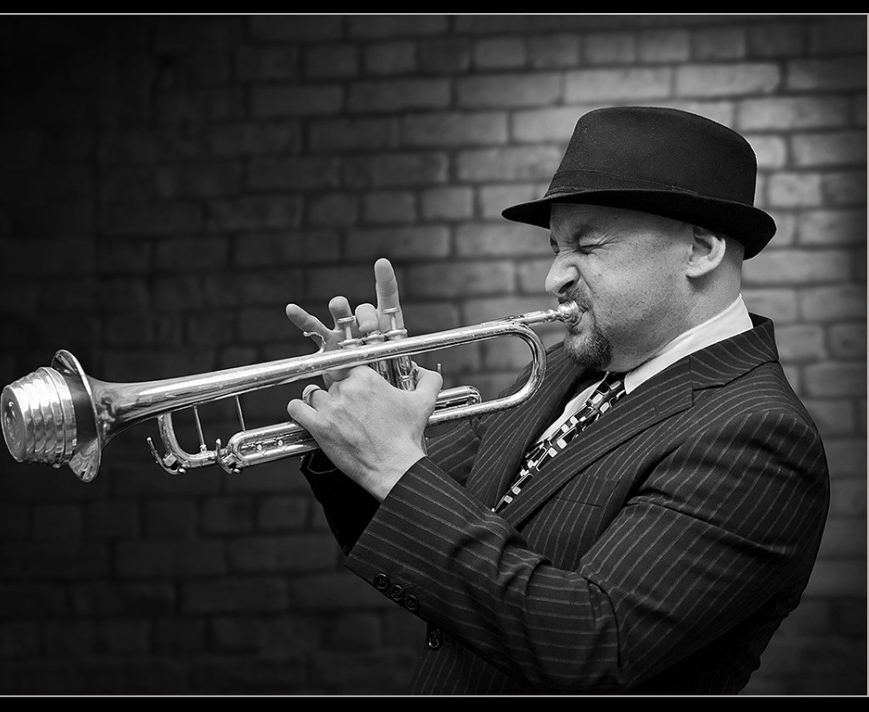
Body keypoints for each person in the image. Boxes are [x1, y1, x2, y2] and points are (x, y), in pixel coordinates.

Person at [283, 106, 830, 695]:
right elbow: (432, 528)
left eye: (588, 246)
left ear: (699, 250)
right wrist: (358, 443)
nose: (553, 279)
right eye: (555, 248)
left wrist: (392, 463)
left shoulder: (758, 434)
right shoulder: (566, 366)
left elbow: (588, 647)